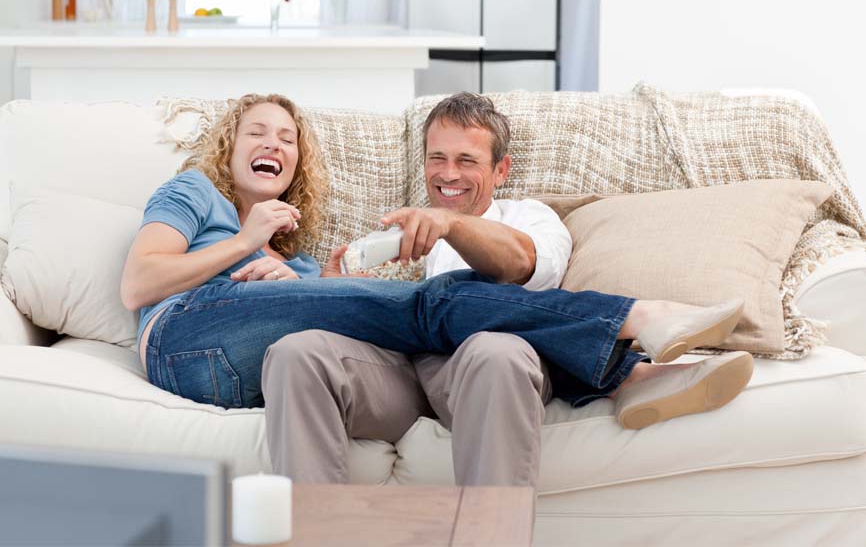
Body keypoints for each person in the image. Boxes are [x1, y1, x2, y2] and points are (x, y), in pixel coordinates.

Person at [121, 93, 753, 485]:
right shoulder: (195, 193)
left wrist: (321, 282)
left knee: (426, 308)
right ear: (228, 146)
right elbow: (137, 285)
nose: (272, 144)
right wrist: (246, 244)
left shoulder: (526, 215)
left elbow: (517, 265)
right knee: (431, 302)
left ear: (499, 171)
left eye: (286, 137)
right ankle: (631, 352)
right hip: (184, 334)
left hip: (247, 365)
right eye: (257, 132)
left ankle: (635, 352)